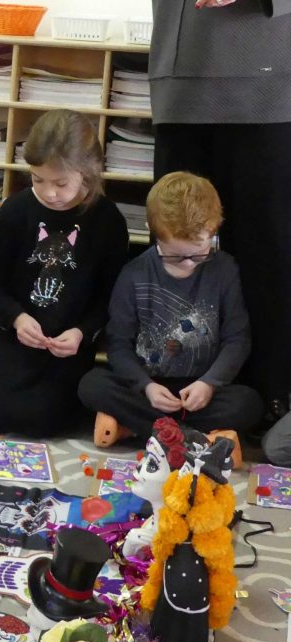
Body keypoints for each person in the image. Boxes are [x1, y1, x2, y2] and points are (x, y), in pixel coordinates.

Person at [150, 0, 291, 425]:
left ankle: (268, 390)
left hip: (267, 77)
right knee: (177, 244)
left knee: (263, 248)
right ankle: (174, 386)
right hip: (179, 71)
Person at [0, 109, 129, 437]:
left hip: (67, 345)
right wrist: (17, 318)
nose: (49, 193)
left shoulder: (107, 221)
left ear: (88, 173)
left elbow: (112, 297)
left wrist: (82, 333)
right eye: (37, 180)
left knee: (50, 420)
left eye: (61, 183)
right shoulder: (15, 211)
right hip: (16, 338)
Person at [78, 172, 262, 447]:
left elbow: (237, 339)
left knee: (248, 403)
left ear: (214, 231)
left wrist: (209, 383)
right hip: (149, 388)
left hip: (199, 391)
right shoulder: (133, 274)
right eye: (175, 255)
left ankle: (142, 429)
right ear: (155, 235)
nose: (188, 264)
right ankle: (190, 436)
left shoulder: (225, 269)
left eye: (198, 252)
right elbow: (118, 344)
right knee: (92, 384)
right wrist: (146, 386)